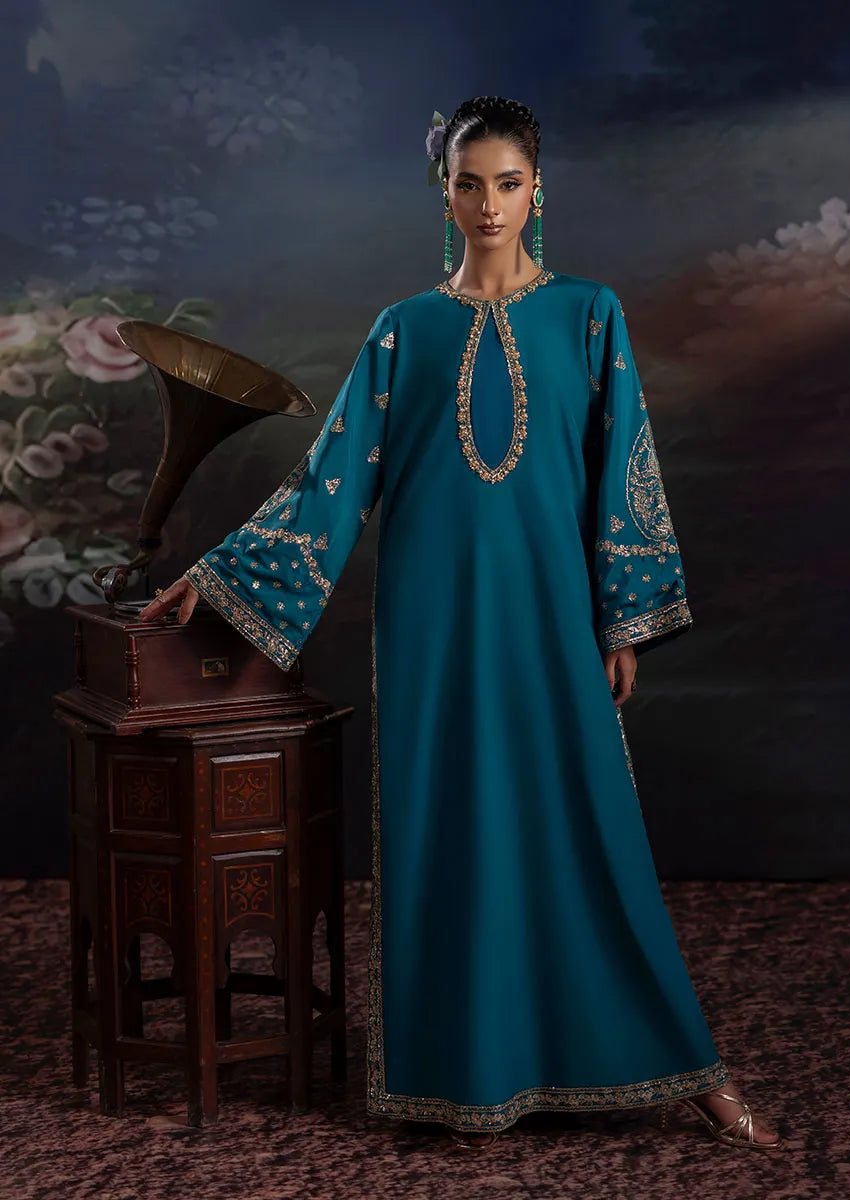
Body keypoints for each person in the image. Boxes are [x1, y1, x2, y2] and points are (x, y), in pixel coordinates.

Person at [139, 95, 786, 1153]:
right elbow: (332, 482)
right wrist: (219, 575)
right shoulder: (404, 330)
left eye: (508, 183)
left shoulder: (590, 315)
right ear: (443, 194)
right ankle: (470, 1074)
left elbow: (621, 472)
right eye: (469, 184)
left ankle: (682, 1065)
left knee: (585, 830)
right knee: (452, 823)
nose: (490, 205)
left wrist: (621, 621)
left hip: (550, 611)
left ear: (539, 191)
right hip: (433, 620)